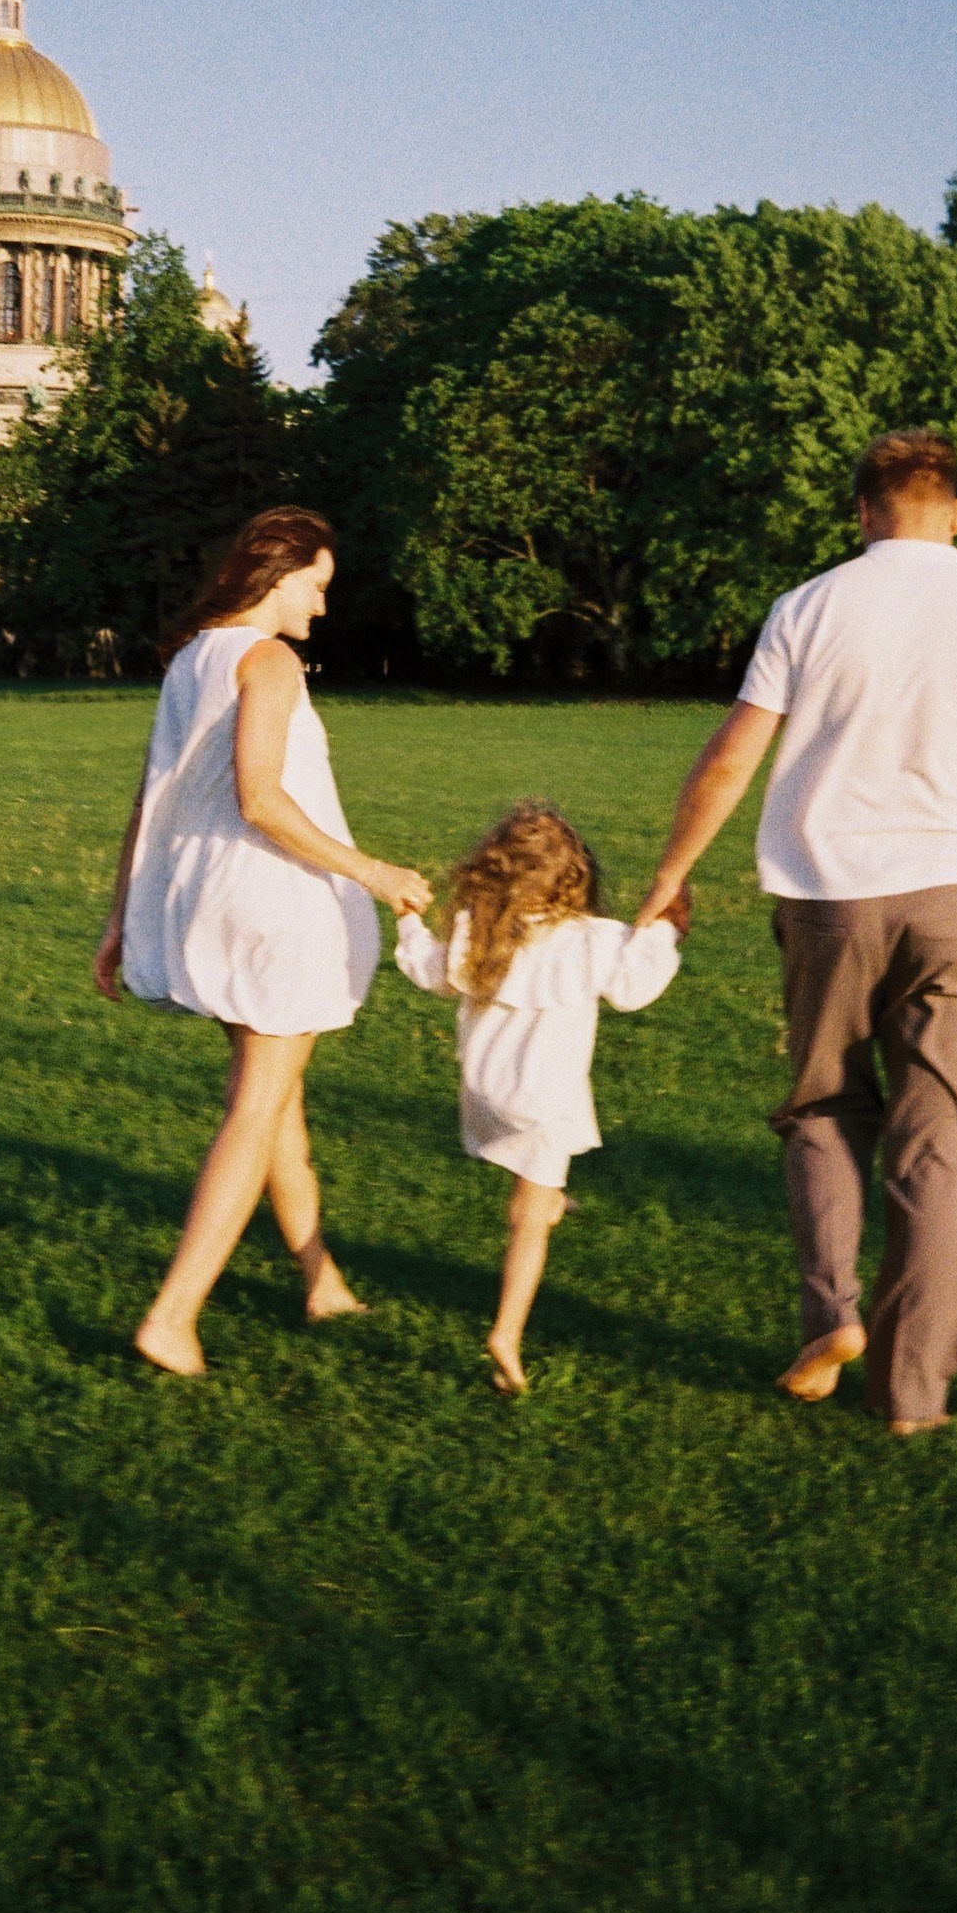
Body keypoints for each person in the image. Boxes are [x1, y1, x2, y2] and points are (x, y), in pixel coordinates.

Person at [634, 430, 957, 1436]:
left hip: (827, 900)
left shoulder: (808, 607)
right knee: (940, 1150)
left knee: (824, 1108)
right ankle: (912, 1398)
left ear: (861, 512)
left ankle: (831, 1315)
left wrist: (671, 874)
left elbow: (730, 758)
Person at [95, 507, 433, 1378]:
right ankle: (172, 1317)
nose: (320, 605)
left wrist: (119, 916)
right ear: (276, 577)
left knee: (274, 1100)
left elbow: (148, 798)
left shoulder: (190, 660)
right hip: (271, 906)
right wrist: (376, 872)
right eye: (315, 586)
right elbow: (261, 799)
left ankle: (322, 1281)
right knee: (254, 1109)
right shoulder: (268, 659)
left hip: (204, 904)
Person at [394, 802, 683, 1397]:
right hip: (542, 1098)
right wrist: (666, 930)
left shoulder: (478, 931)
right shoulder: (594, 940)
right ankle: (507, 1333)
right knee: (529, 1216)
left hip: (485, 1089)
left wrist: (409, 923)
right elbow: (635, 988)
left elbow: (430, 971)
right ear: (575, 877)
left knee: (545, 1159)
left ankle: (552, 1199)